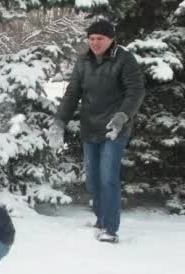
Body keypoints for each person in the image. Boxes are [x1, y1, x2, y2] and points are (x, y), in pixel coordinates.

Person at [48, 18, 145, 244]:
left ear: (111, 39)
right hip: (90, 126)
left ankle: (110, 228)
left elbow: (136, 91)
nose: (95, 42)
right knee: (93, 180)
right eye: (91, 38)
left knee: (108, 177)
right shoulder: (83, 61)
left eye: (100, 38)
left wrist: (122, 116)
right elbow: (72, 93)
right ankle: (101, 220)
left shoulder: (125, 59)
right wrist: (59, 121)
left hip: (115, 127)